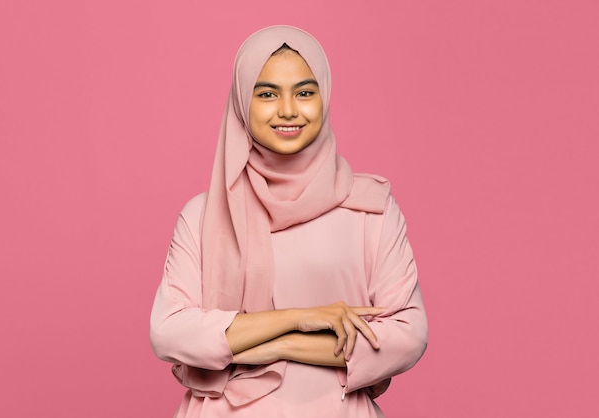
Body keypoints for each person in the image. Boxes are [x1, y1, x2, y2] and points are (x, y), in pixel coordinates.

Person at [150, 25, 427, 417]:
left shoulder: (370, 207)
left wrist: (278, 345)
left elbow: (407, 335)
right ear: (242, 102)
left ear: (324, 95)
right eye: (266, 94)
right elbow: (169, 332)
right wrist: (301, 318)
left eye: (304, 92)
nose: (288, 110)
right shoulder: (205, 215)